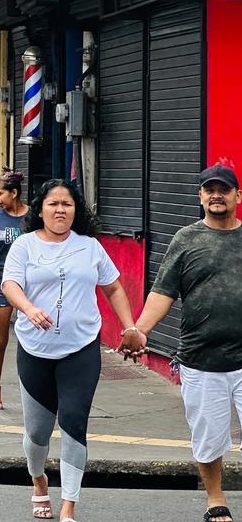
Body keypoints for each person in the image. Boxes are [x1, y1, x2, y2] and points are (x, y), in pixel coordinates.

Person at [1, 179, 136, 522]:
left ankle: (69, 505)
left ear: (76, 211)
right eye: (53, 204)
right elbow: (10, 284)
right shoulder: (25, 246)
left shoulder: (90, 247)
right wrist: (29, 309)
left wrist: (129, 326)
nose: (60, 210)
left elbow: (114, 287)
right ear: (40, 209)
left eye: (67, 204)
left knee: (74, 422)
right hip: (35, 349)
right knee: (37, 433)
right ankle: (39, 481)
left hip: (81, 349)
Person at [121, 163, 242, 522]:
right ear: (201, 197)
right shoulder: (186, 239)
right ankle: (215, 500)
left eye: (224, 189)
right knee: (208, 439)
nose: (217, 195)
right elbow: (163, 292)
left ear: (238, 196)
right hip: (201, 360)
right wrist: (140, 331)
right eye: (210, 190)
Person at [0, 170, 30, 410]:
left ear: (14, 193)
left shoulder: (32, 218)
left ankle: (31, 390)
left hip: (27, 286)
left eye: (0, 193)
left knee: (31, 341)